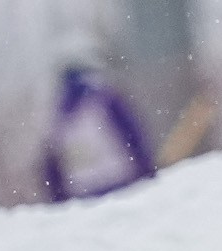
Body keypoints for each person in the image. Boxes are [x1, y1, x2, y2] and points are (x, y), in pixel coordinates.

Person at [43, 45, 156, 203]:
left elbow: (51, 163)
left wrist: (59, 198)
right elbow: (131, 134)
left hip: (82, 192)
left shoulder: (58, 114)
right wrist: (147, 169)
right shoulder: (104, 98)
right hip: (120, 180)